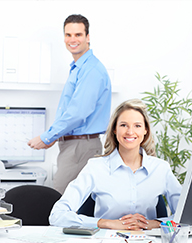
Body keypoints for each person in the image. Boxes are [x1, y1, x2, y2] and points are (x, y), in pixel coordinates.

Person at [49, 99, 182, 230]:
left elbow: (186, 216)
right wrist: (105, 223)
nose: (130, 132)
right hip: (107, 241)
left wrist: (155, 223)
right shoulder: (96, 167)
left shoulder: (161, 169)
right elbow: (57, 215)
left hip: (148, 242)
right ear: (114, 129)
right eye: (123, 125)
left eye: (137, 126)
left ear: (145, 130)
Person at [28, 14, 112, 194]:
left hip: (81, 147)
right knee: (69, 203)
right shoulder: (78, 68)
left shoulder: (91, 70)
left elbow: (78, 113)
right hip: (75, 146)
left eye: (78, 35)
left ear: (88, 37)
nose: (72, 40)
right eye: (68, 35)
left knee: (57, 200)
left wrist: (47, 137)